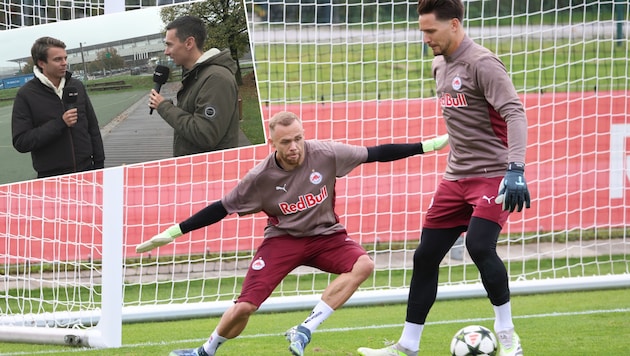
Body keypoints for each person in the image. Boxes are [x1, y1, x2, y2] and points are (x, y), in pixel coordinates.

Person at [136, 111, 449, 356]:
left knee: (364, 265)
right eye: (286, 142)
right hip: (282, 240)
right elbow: (222, 208)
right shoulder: (259, 178)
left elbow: (375, 152)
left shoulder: (325, 153)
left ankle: (304, 329)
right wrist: (174, 231)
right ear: (273, 143)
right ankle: (207, 349)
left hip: (327, 236)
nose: (294, 147)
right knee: (245, 306)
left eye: (298, 138)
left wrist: (425, 147)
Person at [357, 1, 531, 356]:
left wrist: (516, 169)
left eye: (430, 31)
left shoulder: (483, 63)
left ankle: (508, 333)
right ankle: (407, 345)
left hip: (493, 174)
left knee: (479, 246)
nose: (425, 38)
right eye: (422, 31)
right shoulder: (438, 64)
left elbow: (514, 113)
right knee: (425, 257)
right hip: (455, 177)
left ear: (453, 25)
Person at [12, 36, 105, 178]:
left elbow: (93, 127)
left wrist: (99, 165)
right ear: (41, 63)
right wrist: (60, 123)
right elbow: (21, 142)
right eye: (57, 59)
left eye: (65, 58)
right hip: (52, 177)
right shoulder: (26, 95)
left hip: (87, 169)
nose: (64, 63)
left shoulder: (76, 86)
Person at [148, 15, 240, 157]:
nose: (166, 52)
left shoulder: (216, 79)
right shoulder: (196, 75)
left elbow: (205, 134)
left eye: (169, 44)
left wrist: (164, 107)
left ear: (189, 43)